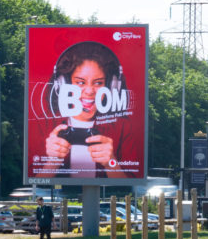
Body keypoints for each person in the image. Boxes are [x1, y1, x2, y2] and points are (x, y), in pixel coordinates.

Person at [30, 42, 136, 179]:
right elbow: (36, 183)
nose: (90, 91)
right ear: (62, 85)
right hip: (61, 199)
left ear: (111, 87)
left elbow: (129, 186)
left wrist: (111, 163)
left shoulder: (124, 127)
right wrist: (52, 162)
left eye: (98, 83)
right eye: (80, 82)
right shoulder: (42, 126)